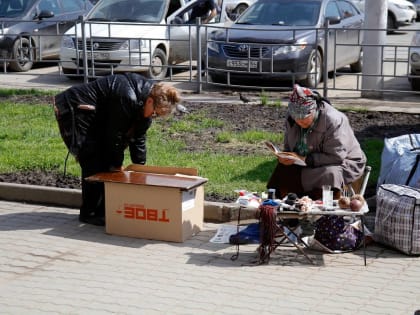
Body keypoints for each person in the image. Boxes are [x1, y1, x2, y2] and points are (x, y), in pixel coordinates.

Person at [53, 73, 181, 226]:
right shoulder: (127, 98)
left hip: (98, 114)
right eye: (155, 113)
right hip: (77, 107)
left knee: (107, 163)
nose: (153, 117)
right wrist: (116, 165)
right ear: (149, 101)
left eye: (157, 116)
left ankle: (103, 210)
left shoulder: (145, 100)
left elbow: (138, 138)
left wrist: (139, 169)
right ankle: (89, 213)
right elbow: (115, 137)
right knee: (93, 159)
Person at [267, 84, 366, 201]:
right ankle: (287, 208)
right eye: (296, 118)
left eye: (304, 117)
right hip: (304, 160)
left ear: (314, 110)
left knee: (330, 174)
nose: (300, 122)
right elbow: (289, 146)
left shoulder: (333, 120)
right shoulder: (291, 119)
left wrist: (305, 159)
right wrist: (286, 157)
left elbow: (336, 156)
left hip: (342, 161)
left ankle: (327, 214)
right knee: (283, 170)